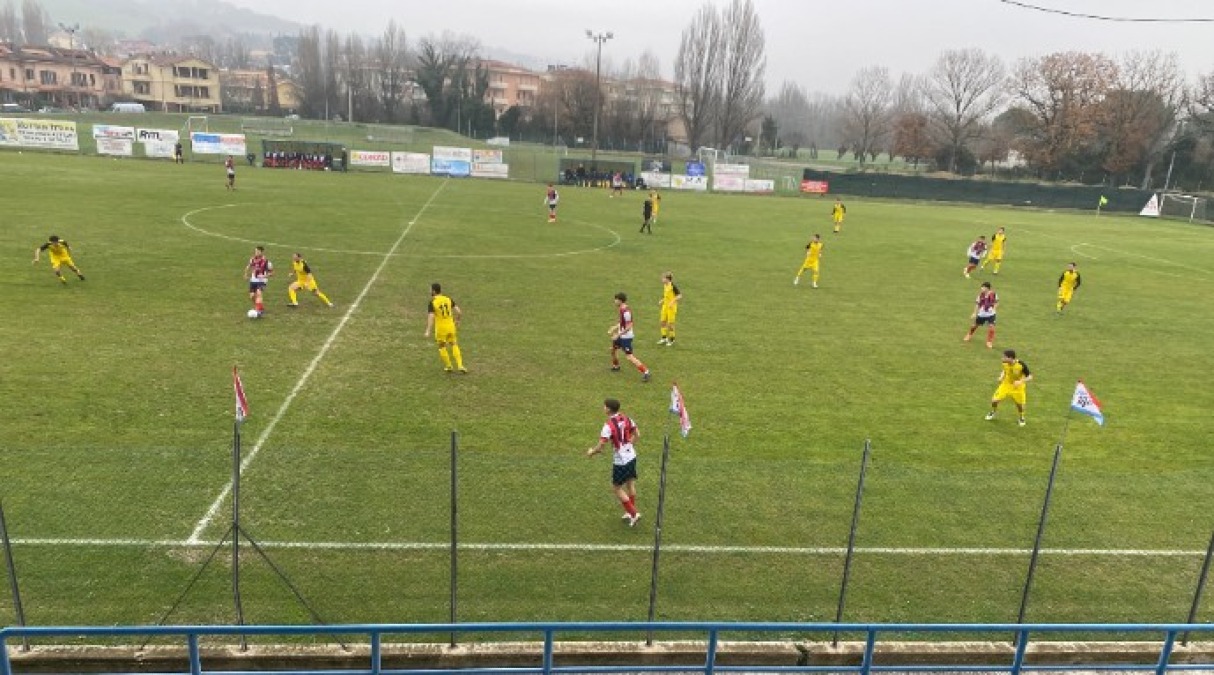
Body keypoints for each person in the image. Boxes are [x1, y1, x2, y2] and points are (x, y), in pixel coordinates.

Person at [585, 397, 641, 527]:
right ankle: (629, 512)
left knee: (616, 488)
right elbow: (637, 434)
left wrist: (591, 452)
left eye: (604, 406)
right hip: (632, 456)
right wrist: (628, 445)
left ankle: (633, 513)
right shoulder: (627, 418)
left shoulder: (608, 426)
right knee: (630, 484)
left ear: (609, 409)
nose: (603, 408)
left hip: (621, 461)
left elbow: (601, 446)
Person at [424, 282, 467, 373]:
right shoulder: (448, 299)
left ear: (434, 291)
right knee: (454, 344)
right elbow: (459, 312)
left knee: (441, 346)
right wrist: (458, 321)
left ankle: (448, 366)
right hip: (451, 326)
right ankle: (460, 365)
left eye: (430, 289)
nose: (429, 291)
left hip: (441, 329)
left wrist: (428, 330)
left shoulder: (433, 302)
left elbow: (431, 317)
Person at [609, 292, 651, 382]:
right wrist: (615, 327)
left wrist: (618, 335)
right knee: (613, 350)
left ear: (620, 300)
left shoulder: (626, 312)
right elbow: (622, 323)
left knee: (629, 357)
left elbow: (629, 326)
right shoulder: (621, 309)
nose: (614, 301)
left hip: (626, 337)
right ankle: (616, 366)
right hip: (621, 335)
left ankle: (646, 372)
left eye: (615, 299)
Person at [986, 349, 1032, 427]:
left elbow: (1030, 376)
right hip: (1006, 384)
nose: (1002, 358)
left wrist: (1020, 381)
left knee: (1020, 405)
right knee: (994, 400)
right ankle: (993, 412)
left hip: (1017, 387)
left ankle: (1021, 418)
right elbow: (1004, 370)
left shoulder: (1021, 365)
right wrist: (1001, 377)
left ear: (1010, 358)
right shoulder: (1005, 363)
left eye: (1004, 357)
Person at [963, 282, 998, 348]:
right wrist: (974, 313)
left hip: (991, 314)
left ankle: (989, 342)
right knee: (975, 325)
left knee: (992, 328)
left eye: (983, 287)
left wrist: (994, 309)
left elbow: (996, 302)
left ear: (987, 288)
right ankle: (969, 335)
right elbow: (977, 304)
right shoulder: (980, 295)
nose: (981, 289)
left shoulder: (994, 294)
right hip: (982, 314)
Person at [243, 246, 273, 316]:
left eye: (257, 251)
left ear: (262, 252)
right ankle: (260, 308)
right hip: (253, 280)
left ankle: (259, 311)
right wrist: (245, 274)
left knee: (259, 293)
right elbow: (248, 266)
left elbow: (272, 273)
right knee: (252, 296)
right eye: (255, 251)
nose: (256, 253)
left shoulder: (267, 262)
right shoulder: (252, 259)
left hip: (262, 280)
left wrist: (264, 276)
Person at [657, 272, 681, 346]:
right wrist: (662, 300)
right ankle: (664, 338)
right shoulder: (665, 285)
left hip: (671, 308)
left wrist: (672, 302)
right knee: (662, 322)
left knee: (670, 324)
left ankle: (672, 339)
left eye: (663, 278)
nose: (662, 279)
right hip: (665, 306)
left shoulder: (673, 286)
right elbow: (666, 296)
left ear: (667, 279)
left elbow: (680, 296)